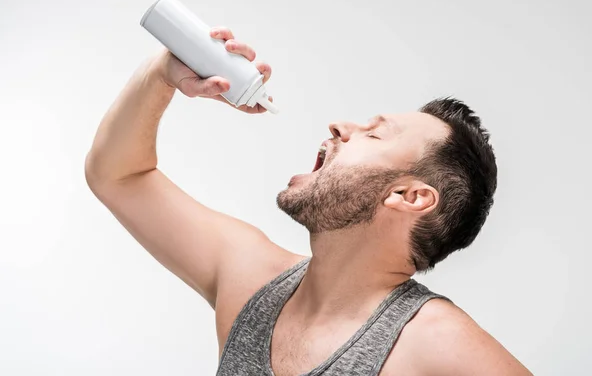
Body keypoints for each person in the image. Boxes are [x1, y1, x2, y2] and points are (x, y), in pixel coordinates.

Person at [85, 26, 532, 375]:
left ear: (409, 196)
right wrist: (163, 73)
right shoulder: (250, 278)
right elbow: (118, 175)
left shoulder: (434, 340)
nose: (340, 126)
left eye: (374, 134)